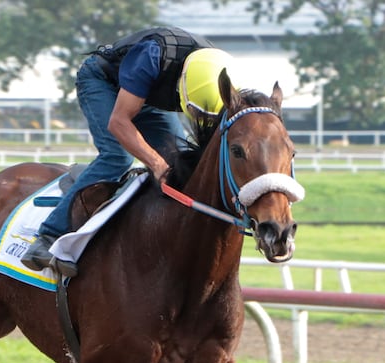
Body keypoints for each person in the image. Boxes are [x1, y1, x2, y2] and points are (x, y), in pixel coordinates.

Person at [21, 27, 233, 275]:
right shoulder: (152, 55)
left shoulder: (219, 72)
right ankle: (48, 236)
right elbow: (119, 122)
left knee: (180, 160)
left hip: (146, 93)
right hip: (104, 83)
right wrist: (157, 164)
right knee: (117, 157)